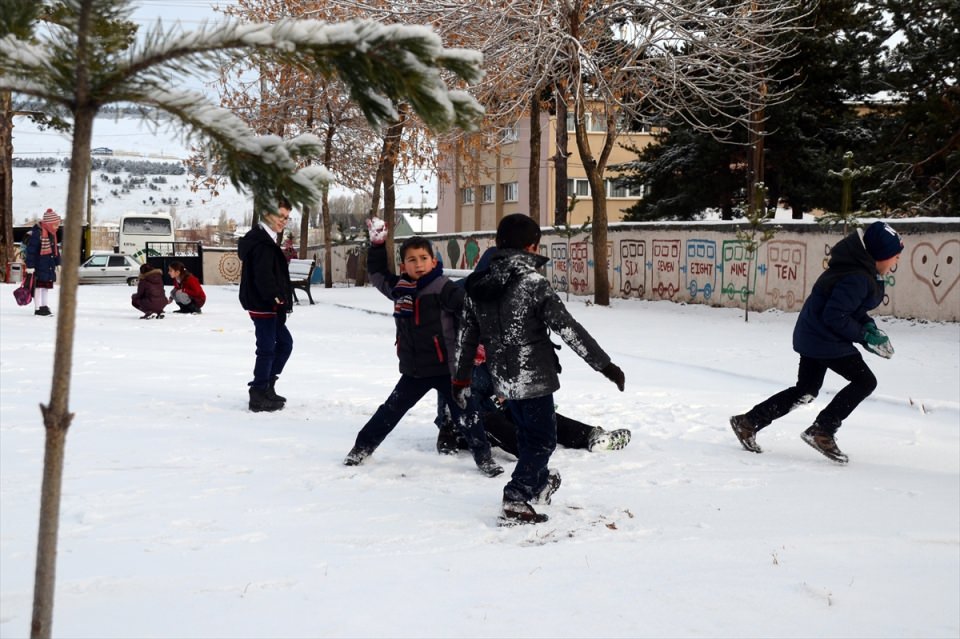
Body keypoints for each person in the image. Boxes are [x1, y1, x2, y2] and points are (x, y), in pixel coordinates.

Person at [452, 213, 626, 526]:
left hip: (501, 379)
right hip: (533, 378)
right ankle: (516, 497)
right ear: (532, 247)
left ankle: (540, 482)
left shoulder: (478, 286)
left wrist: (461, 377)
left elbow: (467, 338)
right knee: (543, 439)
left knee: (526, 432)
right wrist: (605, 365)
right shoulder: (532, 283)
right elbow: (567, 328)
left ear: (499, 243)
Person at [729, 220, 904, 464]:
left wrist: (869, 328)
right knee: (865, 381)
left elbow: (849, 310)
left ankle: (748, 422)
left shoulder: (855, 269)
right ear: (879, 255)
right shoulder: (857, 277)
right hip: (824, 339)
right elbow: (836, 315)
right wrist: (864, 336)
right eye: (895, 256)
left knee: (806, 390)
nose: (896, 262)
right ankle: (823, 430)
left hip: (814, 335)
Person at [343, 219, 502, 477]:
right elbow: (377, 274)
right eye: (412, 260)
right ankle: (361, 448)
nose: (418, 264)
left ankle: (484, 458)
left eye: (423, 258)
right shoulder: (400, 289)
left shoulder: (444, 288)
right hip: (415, 370)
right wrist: (377, 245)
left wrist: (479, 346)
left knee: (468, 416)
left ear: (433, 260)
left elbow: (471, 316)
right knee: (390, 411)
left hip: (449, 370)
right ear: (403, 265)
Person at [437, 348, 632, 456]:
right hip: (468, 425)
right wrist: (447, 432)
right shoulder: (461, 364)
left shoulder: (496, 359)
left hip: (494, 410)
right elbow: (453, 405)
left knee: (535, 413)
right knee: (494, 422)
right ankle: (528, 449)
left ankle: (590, 435)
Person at [238, 198, 295, 412]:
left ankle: (267, 385)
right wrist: (275, 297)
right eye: (280, 215)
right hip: (263, 304)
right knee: (267, 349)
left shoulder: (266, 239)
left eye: (286, 217)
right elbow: (263, 276)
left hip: (268, 304)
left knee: (284, 344)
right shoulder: (261, 241)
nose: (283, 221)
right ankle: (258, 394)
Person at [24, 208, 62, 317]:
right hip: (38, 266)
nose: (57, 227)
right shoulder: (37, 233)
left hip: (48, 265)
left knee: (46, 287)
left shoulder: (52, 234)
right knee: (38, 287)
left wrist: (58, 263)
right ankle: (37, 308)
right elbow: (31, 251)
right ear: (49, 224)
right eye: (55, 225)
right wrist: (30, 266)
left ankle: (44, 306)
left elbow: (55, 250)